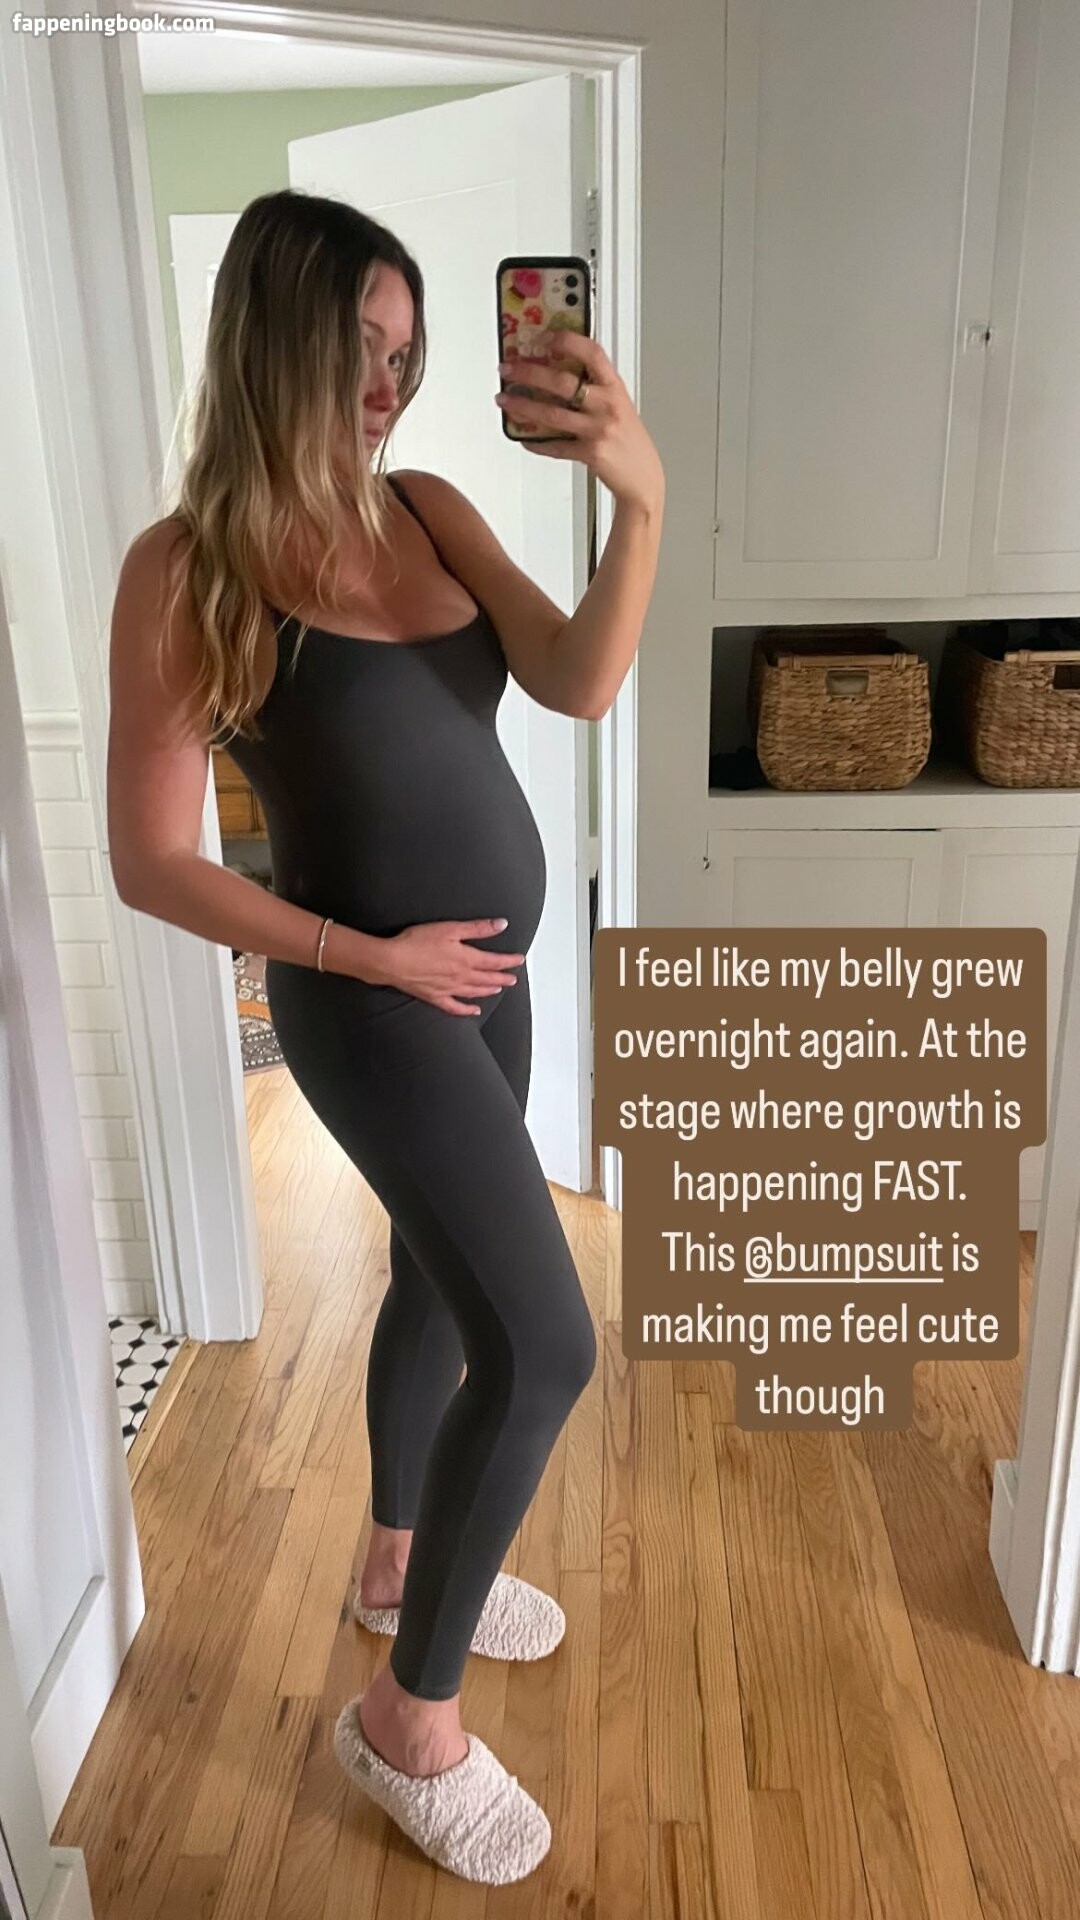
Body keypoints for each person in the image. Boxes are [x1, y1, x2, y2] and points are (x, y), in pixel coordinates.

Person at [107, 188, 664, 1886]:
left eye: (408, 354)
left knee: (440, 1285)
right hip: (366, 1001)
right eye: (357, 345)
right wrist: (373, 954)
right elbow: (154, 861)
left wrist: (637, 499)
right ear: (268, 336)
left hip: (485, 984)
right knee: (545, 1344)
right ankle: (405, 1721)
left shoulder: (427, 507)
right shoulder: (187, 567)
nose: (389, 386)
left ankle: (393, 1564)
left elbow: (577, 678)